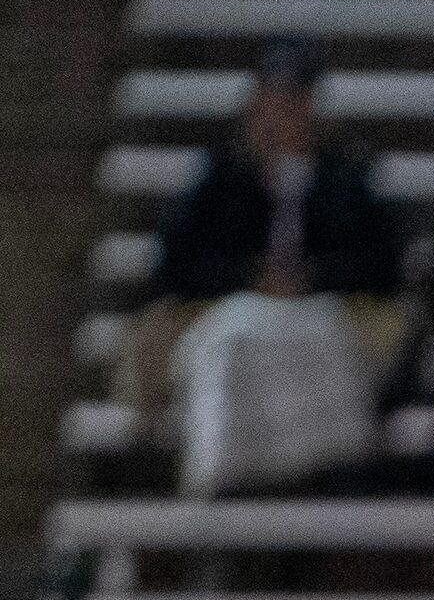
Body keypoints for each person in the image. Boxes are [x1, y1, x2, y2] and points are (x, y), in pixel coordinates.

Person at [126, 43, 408, 496]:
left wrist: (311, 279)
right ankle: (225, 485)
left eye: (294, 103)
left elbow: (381, 265)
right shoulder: (220, 178)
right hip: (229, 312)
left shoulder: (345, 176)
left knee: (330, 340)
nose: (283, 116)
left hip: (325, 312)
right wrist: (248, 277)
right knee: (228, 344)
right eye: (272, 101)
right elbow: (176, 267)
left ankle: (333, 477)